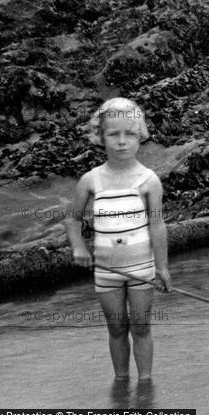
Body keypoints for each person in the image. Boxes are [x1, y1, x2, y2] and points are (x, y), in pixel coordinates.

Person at [65, 97, 171, 384]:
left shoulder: (149, 181)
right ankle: (122, 383)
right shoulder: (90, 180)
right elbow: (72, 220)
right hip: (107, 272)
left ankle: (146, 384)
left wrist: (162, 268)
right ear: (100, 137)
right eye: (113, 134)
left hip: (142, 270)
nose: (122, 142)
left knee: (141, 326)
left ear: (141, 136)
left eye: (130, 134)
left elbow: (157, 225)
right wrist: (78, 247)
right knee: (115, 328)